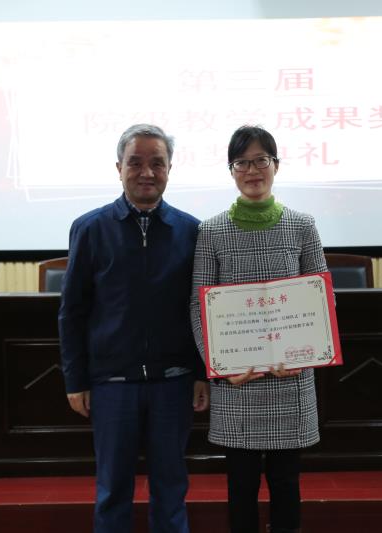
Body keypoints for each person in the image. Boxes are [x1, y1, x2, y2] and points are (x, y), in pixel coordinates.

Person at [59, 123, 210, 533]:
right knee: (112, 490)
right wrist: (76, 379)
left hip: (174, 381)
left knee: (171, 488)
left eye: (157, 163)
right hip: (111, 383)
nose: (147, 172)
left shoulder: (191, 231)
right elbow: (72, 311)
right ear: (119, 168)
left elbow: (200, 308)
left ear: (169, 169)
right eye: (136, 163)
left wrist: (201, 372)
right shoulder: (90, 228)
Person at [190, 125, 327, 533]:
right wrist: (219, 366)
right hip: (237, 382)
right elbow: (198, 306)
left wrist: (306, 353)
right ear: (231, 171)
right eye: (242, 163)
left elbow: (321, 298)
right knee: (241, 487)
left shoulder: (302, 225)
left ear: (276, 165)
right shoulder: (211, 231)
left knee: (286, 484)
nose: (252, 170)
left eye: (260, 160)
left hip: (291, 378)